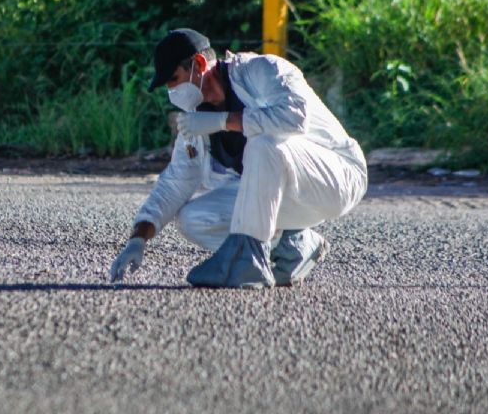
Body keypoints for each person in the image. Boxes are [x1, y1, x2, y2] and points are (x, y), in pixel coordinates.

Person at [109, 28, 368, 288]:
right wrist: (138, 238)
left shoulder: (262, 70)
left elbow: (295, 117)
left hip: (338, 176)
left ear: (199, 64)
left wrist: (224, 121)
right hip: (290, 199)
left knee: (264, 142)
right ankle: (293, 244)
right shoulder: (196, 120)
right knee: (193, 219)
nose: (172, 91)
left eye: (174, 79)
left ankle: (250, 262)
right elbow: (175, 182)